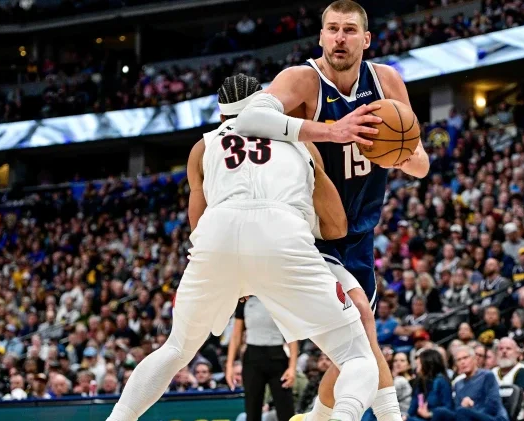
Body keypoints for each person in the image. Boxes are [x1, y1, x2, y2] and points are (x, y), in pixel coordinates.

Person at [106, 74, 379, 421]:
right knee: (356, 356)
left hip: (216, 235)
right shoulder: (301, 142)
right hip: (281, 232)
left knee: (175, 348)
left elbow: (197, 223)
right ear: (266, 104)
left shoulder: (203, 147)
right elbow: (336, 226)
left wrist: (233, 277)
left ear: (222, 117)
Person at [234, 2, 429, 421]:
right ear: (321, 36)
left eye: (349, 30)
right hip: (308, 232)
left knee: (348, 356)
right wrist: (332, 132)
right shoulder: (302, 80)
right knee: (360, 324)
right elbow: (248, 119)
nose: (340, 37)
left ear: (366, 39)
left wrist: (387, 154)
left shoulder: (387, 81)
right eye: (333, 29)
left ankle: (315, 419)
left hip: (359, 235)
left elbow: (420, 164)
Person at [226, 296, 298, 421]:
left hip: (278, 358)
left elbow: (292, 335)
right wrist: (229, 366)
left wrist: (292, 367)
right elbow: (236, 336)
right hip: (252, 359)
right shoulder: (244, 300)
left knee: (286, 411)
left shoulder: (280, 298)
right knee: (252, 410)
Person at [433, 346, 509, 421]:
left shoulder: (487, 376)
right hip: (466, 415)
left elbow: (492, 406)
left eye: (465, 358)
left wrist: (471, 409)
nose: (462, 362)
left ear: (474, 359)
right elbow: (457, 409)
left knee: (463, 412)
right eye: (458, 360)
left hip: (492, 417)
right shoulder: (458, 384)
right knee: (439, 412)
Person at [406, 349, 453, 421]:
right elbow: (412, 409)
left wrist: (430, 414)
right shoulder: (419, 382)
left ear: (427, 365)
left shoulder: (441, 381)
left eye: (419, 365)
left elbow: (448, 409)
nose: (416, 369)